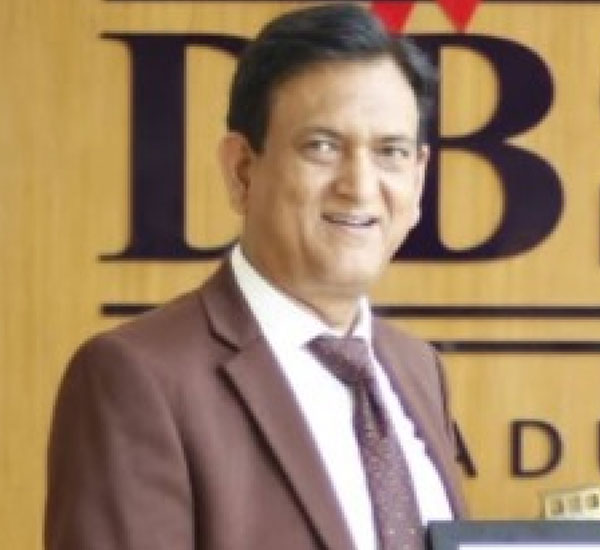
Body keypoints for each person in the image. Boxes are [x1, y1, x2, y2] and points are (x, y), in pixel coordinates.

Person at [45, 4, 465, 549]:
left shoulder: (419, 369)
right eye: (322, 147)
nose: (360, 186)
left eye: (391, 152)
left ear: (419, 178)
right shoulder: (138, 378)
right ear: (242, 169)